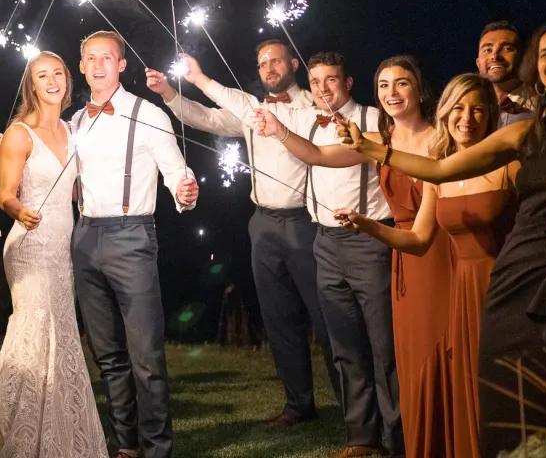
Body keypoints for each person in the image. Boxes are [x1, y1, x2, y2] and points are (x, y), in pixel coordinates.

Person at [338, 22, 546, 458]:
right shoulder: (524, 134)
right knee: (495, 386)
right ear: (536, 66)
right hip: (510, 277)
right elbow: (438, 172)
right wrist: (372, 151)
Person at [254, 55, 450, 457]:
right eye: (316, 81)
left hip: (372, 241)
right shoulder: (308, 120)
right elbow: (312, 157)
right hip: (324, 241)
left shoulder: (378, 120)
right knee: (344, 344)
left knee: (384, 347)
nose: (323, 88)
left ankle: (399, 438)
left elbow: (326, 156)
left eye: (331, 80)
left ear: (349, 81)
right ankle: (361, 437)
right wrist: (277, 131)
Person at [144, 41, 341, 428]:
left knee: (327, 316)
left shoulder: (312, 105)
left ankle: (354, 407)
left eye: (275, 60)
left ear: (294, 65)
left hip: (305, 222)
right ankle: (298, 406)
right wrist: (168, 93)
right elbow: (205, 118)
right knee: (278, 316)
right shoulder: (252, 112)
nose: (268, 67)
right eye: (262, 62)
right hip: (263, 223)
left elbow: (235, 101)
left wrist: (199, 77)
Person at [334, 73, 519, 458]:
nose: (467, 118)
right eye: (458, 109)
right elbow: (418, 241)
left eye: (478, 110)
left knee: (503, 385)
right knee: (467, 382)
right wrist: (367, 225)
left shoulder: (510, 166)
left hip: (505, 286)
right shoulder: (441, 171)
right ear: (446, 113)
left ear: (490, 117)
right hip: (462, 291)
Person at [71, 31, 199, 458]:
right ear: (83, 66)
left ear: (122, 64)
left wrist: (185, 192)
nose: (99, 65)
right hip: (84, 236)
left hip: (132, 235)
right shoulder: (74, 120)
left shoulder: (149, 113)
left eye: (107, 57)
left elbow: (177, 171)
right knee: (107, 354)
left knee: (146, 356)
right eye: (91, 58)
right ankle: (125, 446)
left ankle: (158, 448)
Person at [0, 51, 107, 458]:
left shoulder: (73, 131)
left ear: (67, 81)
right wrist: (20, 210)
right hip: (29, 243)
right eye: (43, 75)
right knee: (37, 331)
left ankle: (63, 437)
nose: (53, 80)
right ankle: (20, 430)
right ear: (32, 85)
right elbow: (5, 194)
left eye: (58, 73)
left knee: (62, 334)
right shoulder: (19, 134)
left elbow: (77, 191)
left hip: (63, 246)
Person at [476, 21, 535, 127]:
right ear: (478, 63)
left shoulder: (541, 109)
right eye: (488, 50)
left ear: (524, 59)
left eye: (507, 49)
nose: (495, 56)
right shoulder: (467, 110)